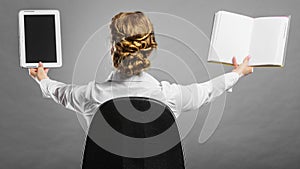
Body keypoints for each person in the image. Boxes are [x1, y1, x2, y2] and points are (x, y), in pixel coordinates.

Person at [29, 11, 253, 126]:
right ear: (150, 47)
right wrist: (237, 73)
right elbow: (208, 90)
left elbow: (58, 92)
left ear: (112, 47)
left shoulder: (89, 95)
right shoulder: (170, 96)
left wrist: (42, 79)